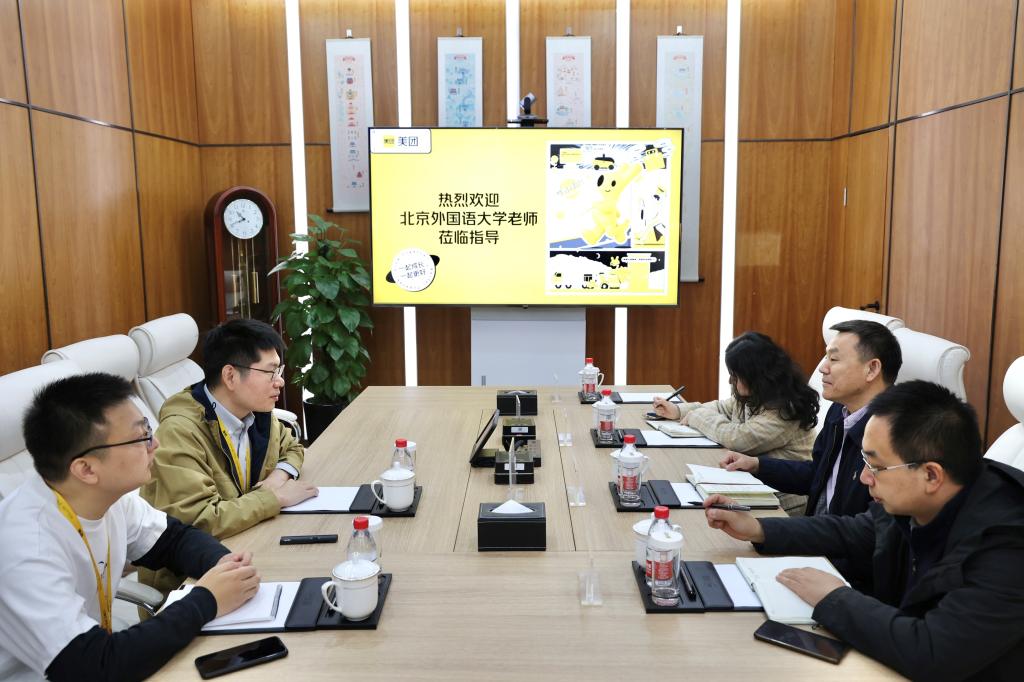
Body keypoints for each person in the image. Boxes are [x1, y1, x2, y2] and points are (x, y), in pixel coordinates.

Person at [704, 381, 1024, 679]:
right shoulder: (927, 496)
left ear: (931, 475)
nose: (864, 478)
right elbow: (855, 531)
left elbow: (933, 652)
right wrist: (758, 528)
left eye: (876, 466)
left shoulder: (1008, 548)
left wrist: (833, 598)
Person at [0, 373, 259, 682]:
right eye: (141, 437)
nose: (155, 443)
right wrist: (208, 599)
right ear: (86, 469)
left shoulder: (104, 498)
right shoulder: (26, 547)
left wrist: (224, 565)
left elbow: (173, 539)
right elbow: (95, 667)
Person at [140, 319, 317, 594]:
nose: (280, 381)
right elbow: (200, 521)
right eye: (270, 372)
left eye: (279, 370)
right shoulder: (180, 432)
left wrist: (278, 477)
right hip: (191, 584)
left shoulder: (255, 413)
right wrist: (274, 498)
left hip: (244, 546)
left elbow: (292, 447)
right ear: (231, 376)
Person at [718, 320, 902, 518]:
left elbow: (862, 528)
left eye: (834, 359)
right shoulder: (840, 411)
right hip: (817, 528)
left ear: (872, 369)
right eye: (826, 357)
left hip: (832, 535)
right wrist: (757, 465)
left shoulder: (892, 435)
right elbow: (817, 474)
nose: (822, 367)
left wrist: (766, 529)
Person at [653, 331, 820, 512]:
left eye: (735, 375)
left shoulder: (786, 410)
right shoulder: (757, 394)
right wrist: (678, 411)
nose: (730, 380)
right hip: (752, 487)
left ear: (755, 375)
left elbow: (737, 438)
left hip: (781, 504)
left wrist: (695, 416)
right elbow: (722, 408)